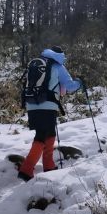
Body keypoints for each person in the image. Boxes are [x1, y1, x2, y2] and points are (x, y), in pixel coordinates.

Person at [18, 45, 82, 181]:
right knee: (41, 135)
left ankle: (49, 165)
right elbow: (69, 87)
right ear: (60, 55)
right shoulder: (58, 66)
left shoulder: (37, 63)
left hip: (31, 104)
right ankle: (26, 170)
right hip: (48, 105)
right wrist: (80, 83)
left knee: (50, 132)